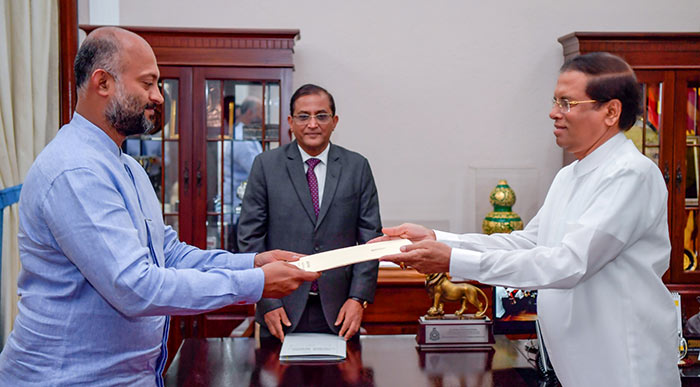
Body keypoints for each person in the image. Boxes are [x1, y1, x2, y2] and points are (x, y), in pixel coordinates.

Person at [0, 27, 319, 386]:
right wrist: (255, 283)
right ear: (102, 83)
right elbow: (136, 287)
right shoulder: (76, 169)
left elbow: (168, 253)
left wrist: (252, 262)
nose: (158, 97)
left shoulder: (127, 168)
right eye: (148, 83)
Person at [377, 52, 681, 387]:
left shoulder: (631, 174)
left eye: (567, 102)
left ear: (610, 111)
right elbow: (527, 242)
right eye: (555, 101)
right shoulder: (571, 176)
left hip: (623, 364)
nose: (553, 113)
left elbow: (569, 264)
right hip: (579, 363)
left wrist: (452, 260)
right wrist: (436, 238)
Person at [238, 84, 382, 341]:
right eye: (304, 116)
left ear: (334, 121)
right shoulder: (266, 166)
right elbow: (250, 239)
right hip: (280, 308)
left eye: (321, 115)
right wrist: (267, 300)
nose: (313, 124)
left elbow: (371, 241)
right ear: (291, 122)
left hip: (341, 311)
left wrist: (358, 298)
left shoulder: (357, 167)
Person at [222, 97, 263, 251]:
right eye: (260, 111)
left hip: (243, 203)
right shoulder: (240, 138)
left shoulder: (246, 134)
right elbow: (257, 169)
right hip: (236, 204)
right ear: (251, 112)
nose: (262, 116)